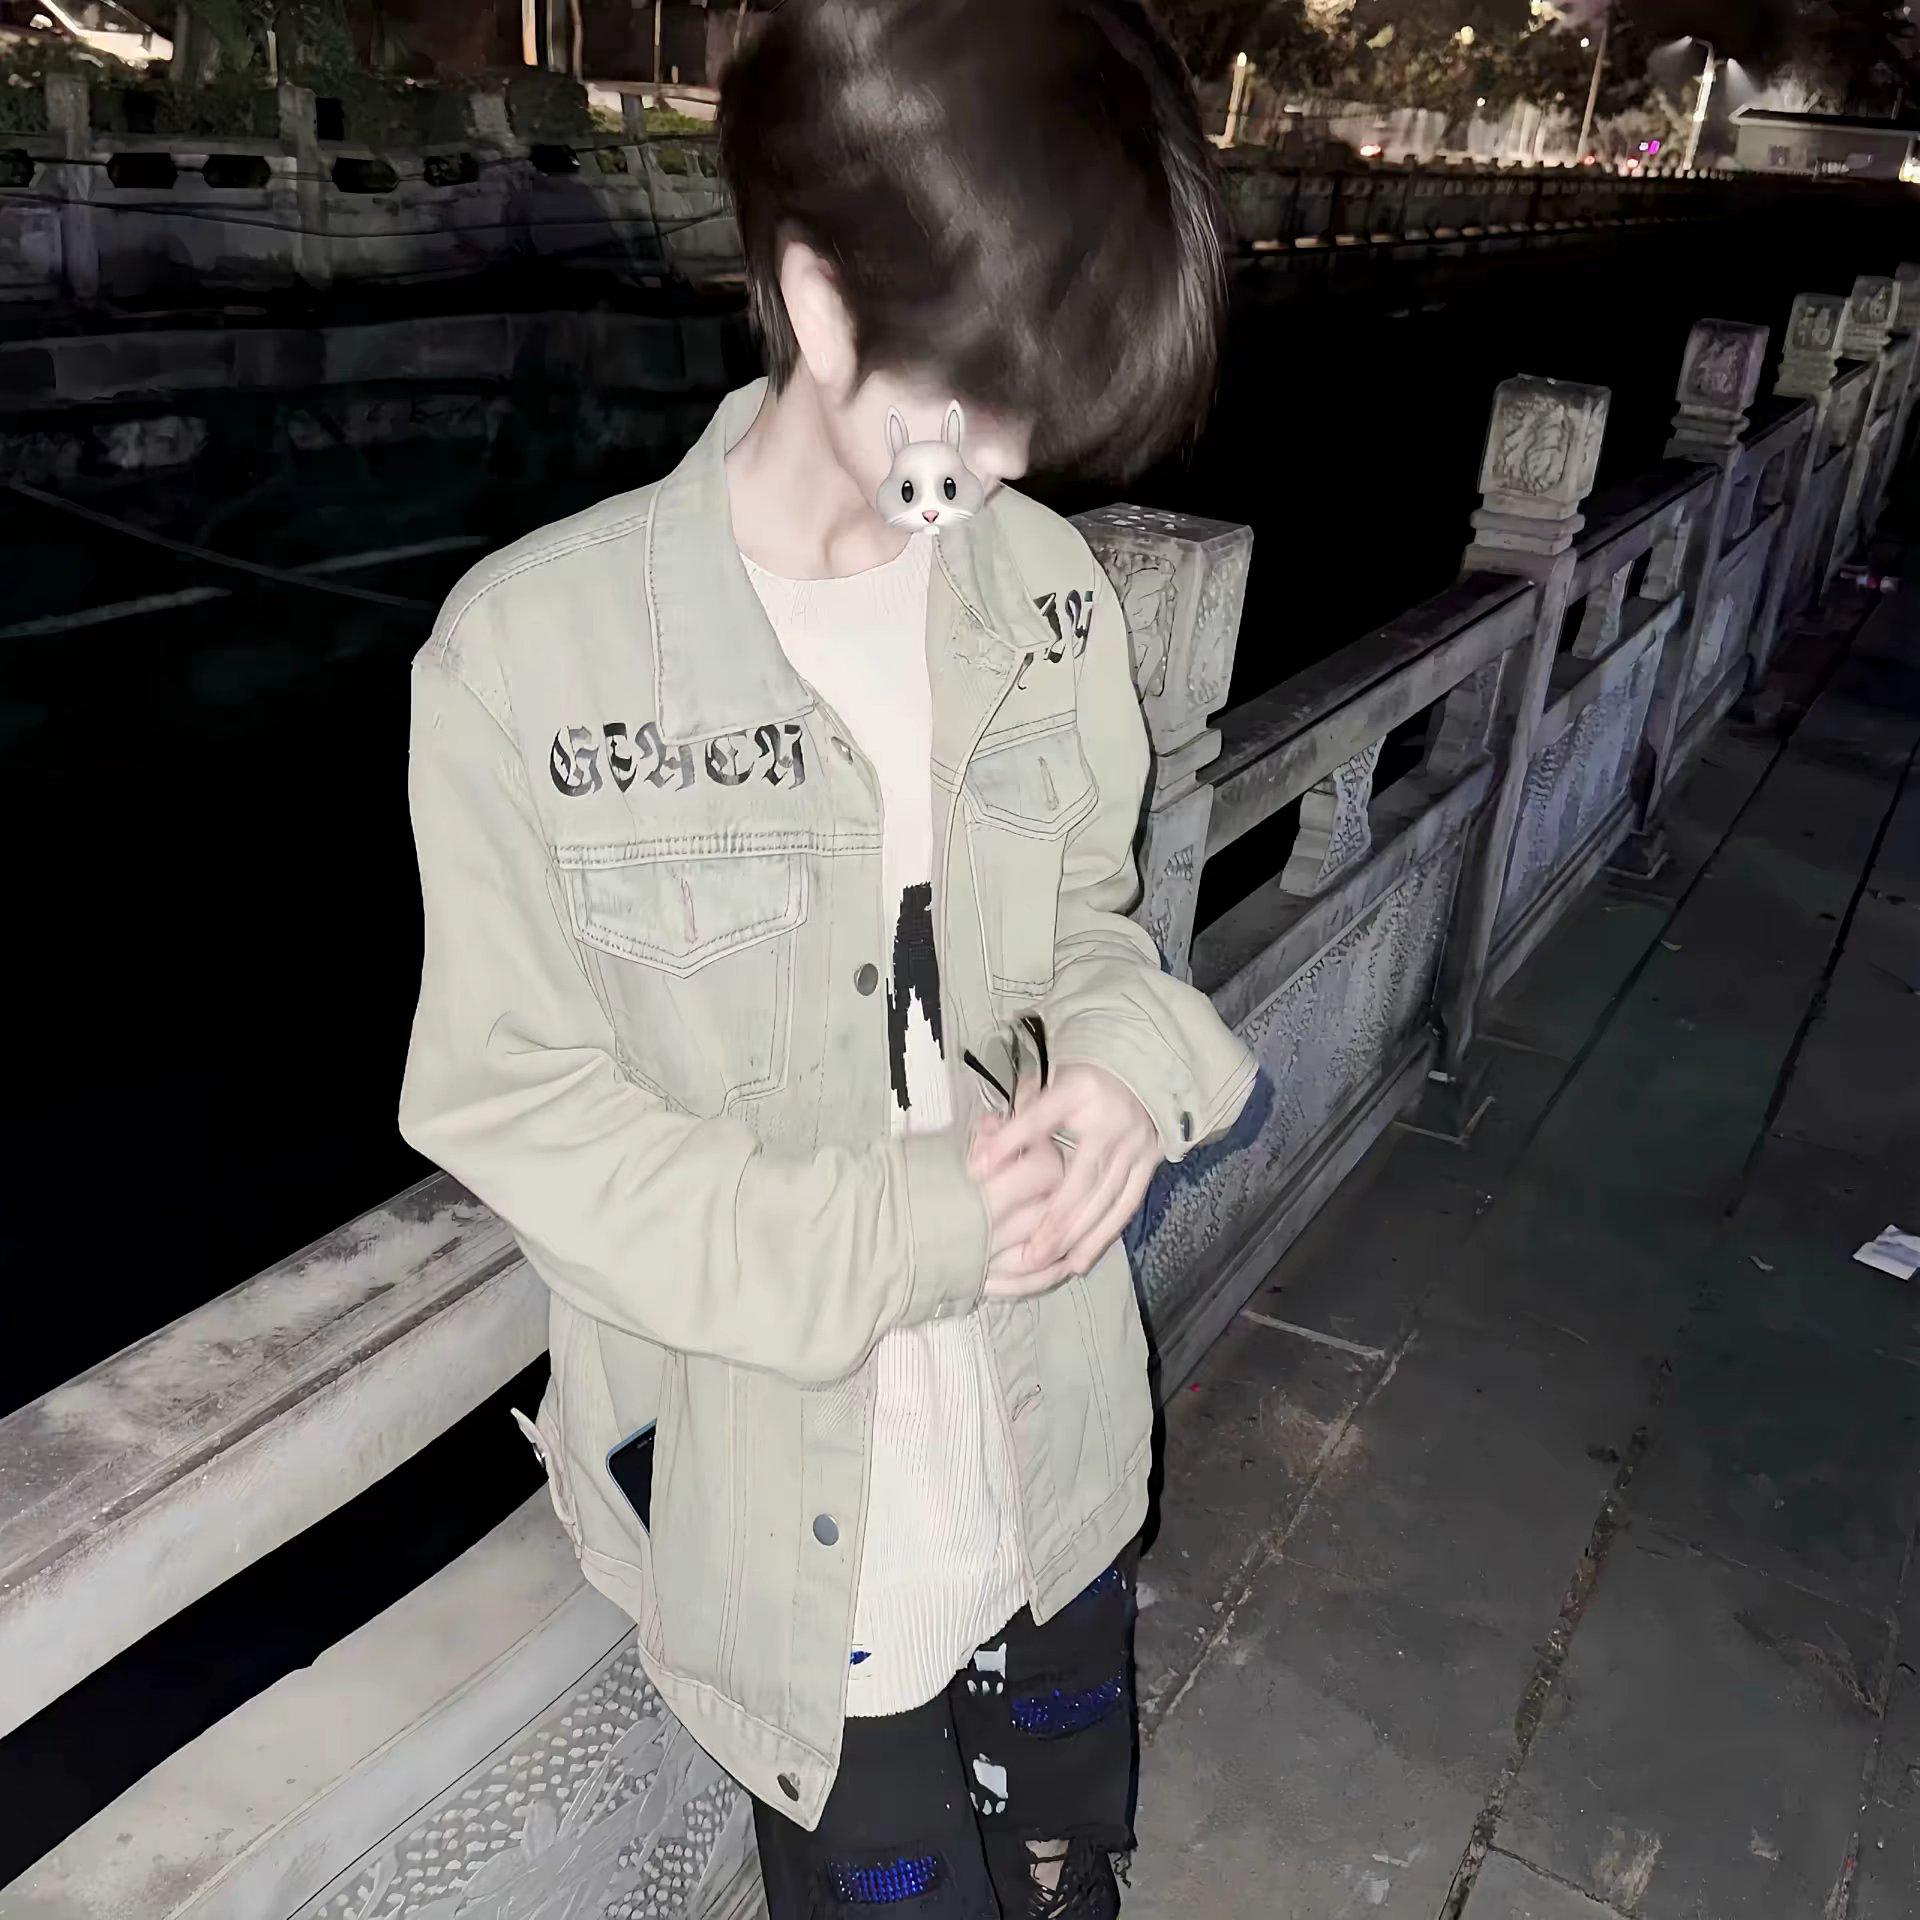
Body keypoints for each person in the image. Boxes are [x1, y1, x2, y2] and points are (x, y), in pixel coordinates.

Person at [398, 2, 1256, 1913]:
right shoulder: (528, 658)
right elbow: (518, 1111)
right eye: (978, 398)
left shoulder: (1040, 593)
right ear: (816, 296)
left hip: (1047, 1436)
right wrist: (915, 1226)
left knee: (1066, 1872)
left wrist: (1130, 1068)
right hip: (789, 1511)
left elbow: (1096, 919)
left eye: (1040, 412)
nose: (1009, 461)